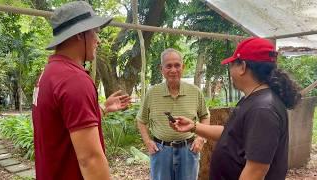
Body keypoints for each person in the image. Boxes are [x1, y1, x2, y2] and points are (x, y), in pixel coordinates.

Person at [171, 37, 302, 180]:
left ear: (242, 67)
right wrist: (194, 126)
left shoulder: (263, 109)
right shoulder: (253, 99)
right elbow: (231, 134)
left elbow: (255, 172)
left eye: (232, 65)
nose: (230, 71)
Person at [32, 1, 131, 179]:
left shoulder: (49, 74)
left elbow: (63, 126)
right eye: (95, 32)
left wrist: (102, 109)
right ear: (80, 34)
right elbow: (90, 159)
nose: (98, 40)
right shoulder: (74, 79)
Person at [136, 48, 210, 180]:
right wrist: (147, 142)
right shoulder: (152, 93)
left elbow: (205, 116)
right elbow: (141, 120)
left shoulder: (195, 92)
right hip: (161, 151)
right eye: (168, 66)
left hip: (188, 150)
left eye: (177, 65)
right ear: (161, 69)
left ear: (183, 67)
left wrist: (200, 138)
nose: (173, 70)